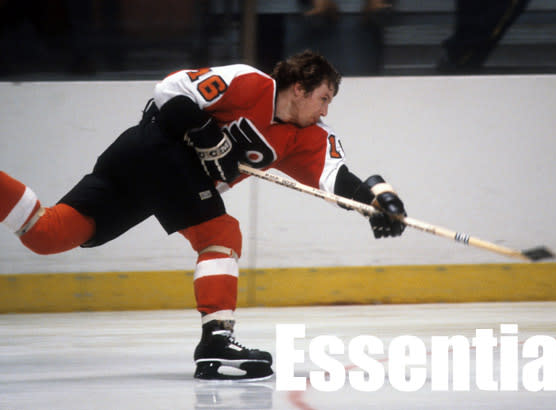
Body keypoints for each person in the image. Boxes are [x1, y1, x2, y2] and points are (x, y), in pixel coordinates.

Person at [0, 50, 406, 381]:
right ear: (299, 88)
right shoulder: (251, 83)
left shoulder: (308, 138)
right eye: (324, 97)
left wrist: (377, 201)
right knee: (221, 235)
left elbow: (338, 179)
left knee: (47, 235)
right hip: (153, 147)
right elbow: (171, 90)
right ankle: (215, 342)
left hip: (147, 170)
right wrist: (202, 128)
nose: (325, 110)